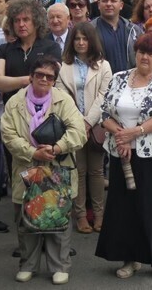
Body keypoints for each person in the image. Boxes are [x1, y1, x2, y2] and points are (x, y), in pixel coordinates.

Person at [95, 33, 152, 280]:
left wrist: (134, 132)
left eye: (151, 53)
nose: (145, 57)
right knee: (124, 207)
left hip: (151, 153)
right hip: (120, 151)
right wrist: (121, 136)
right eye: (142, 51)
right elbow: (104, 114)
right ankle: (130, 259)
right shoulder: (119, 77)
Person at [0, 57, 85, 285]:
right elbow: (8, 135)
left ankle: (60, 266)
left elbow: (79, 132)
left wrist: (57, 148)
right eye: (39, 74)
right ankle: (28, 265)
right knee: (26, 218)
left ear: (55, 80)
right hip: (27, 166)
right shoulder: (15, 102)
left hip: (57, 166)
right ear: (31, 76)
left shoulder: (64, 100)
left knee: (58, 217)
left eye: (49, 76)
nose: (44, 79)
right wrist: (32, 152)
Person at [56, 22, 112, 234]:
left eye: (84, 38)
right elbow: (62, 96)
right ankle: (80, 216)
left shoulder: (104, 66)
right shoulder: (63, 66)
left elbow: (104, 96)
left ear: (92, 41)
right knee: (77, 171)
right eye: (77, 39)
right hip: (72, 125)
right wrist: (79, 124)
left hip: (96, 126)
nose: (80, 42)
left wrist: (88, 122)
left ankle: (99, 215)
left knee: (97, 171)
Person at [0, 0, 62, 104]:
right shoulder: (4, 49)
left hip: (42, 107)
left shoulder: (51, 47)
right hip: (12, 108)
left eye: (26, 20)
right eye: (17, 20)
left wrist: (10, 82)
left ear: (36, 21)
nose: (21, 24)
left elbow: (50, 78)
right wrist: (30, 79)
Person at [92, 0, 133, 74]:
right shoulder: (90, 30)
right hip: (101, 79)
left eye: (113, 1)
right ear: (98, 5)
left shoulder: (133, 30)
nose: (109, 4)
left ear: (121, 5)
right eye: (105, 1)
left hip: (130, 80)